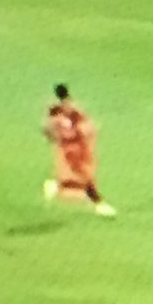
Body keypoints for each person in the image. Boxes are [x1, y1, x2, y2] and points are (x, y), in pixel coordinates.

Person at [42, 84, 115, 215]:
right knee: (84, 175)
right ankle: (99, 204)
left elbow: (49, 130)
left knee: (82, 175)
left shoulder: (58, 110)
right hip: (73, 149)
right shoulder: (67, 109)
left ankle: (56, 185)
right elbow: (83, 125)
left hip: (76, 148)